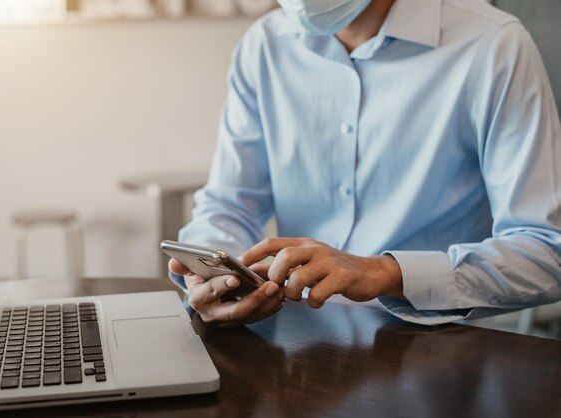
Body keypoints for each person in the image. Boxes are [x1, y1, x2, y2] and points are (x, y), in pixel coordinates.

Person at [169, 0, 561, 326]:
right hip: (297, 338)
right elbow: (229, 204)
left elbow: (546, 251)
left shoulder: (493, 46)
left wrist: (385, 273)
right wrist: (214, 278)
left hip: (438, 347)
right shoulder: (264, 45)